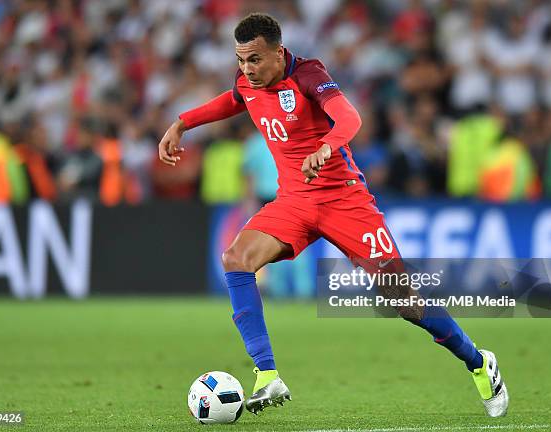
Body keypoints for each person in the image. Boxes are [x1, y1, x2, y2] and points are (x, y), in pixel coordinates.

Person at [158, 13, 508, 417]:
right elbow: (232, 100)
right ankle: (266, 374)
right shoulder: (246, 82)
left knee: (404, 301)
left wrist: (326, 145)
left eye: (255, 59)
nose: (247, 70)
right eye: (241, 60)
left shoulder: (309, 75)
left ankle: (479, 362)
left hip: (345, 201)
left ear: (278, 52)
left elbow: (350, 117)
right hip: (294, 202)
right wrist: (182, 123)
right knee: (236, 259)